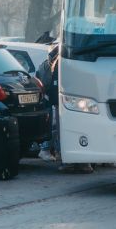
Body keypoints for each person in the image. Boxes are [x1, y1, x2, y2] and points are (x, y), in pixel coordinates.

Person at [37, 44, 92, 174]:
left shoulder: (60, 61)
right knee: (81, 131)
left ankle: (71, 162)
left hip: (65, 102)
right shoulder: (79, 58)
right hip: (80, 102)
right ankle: (82, 162)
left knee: (65, 132)